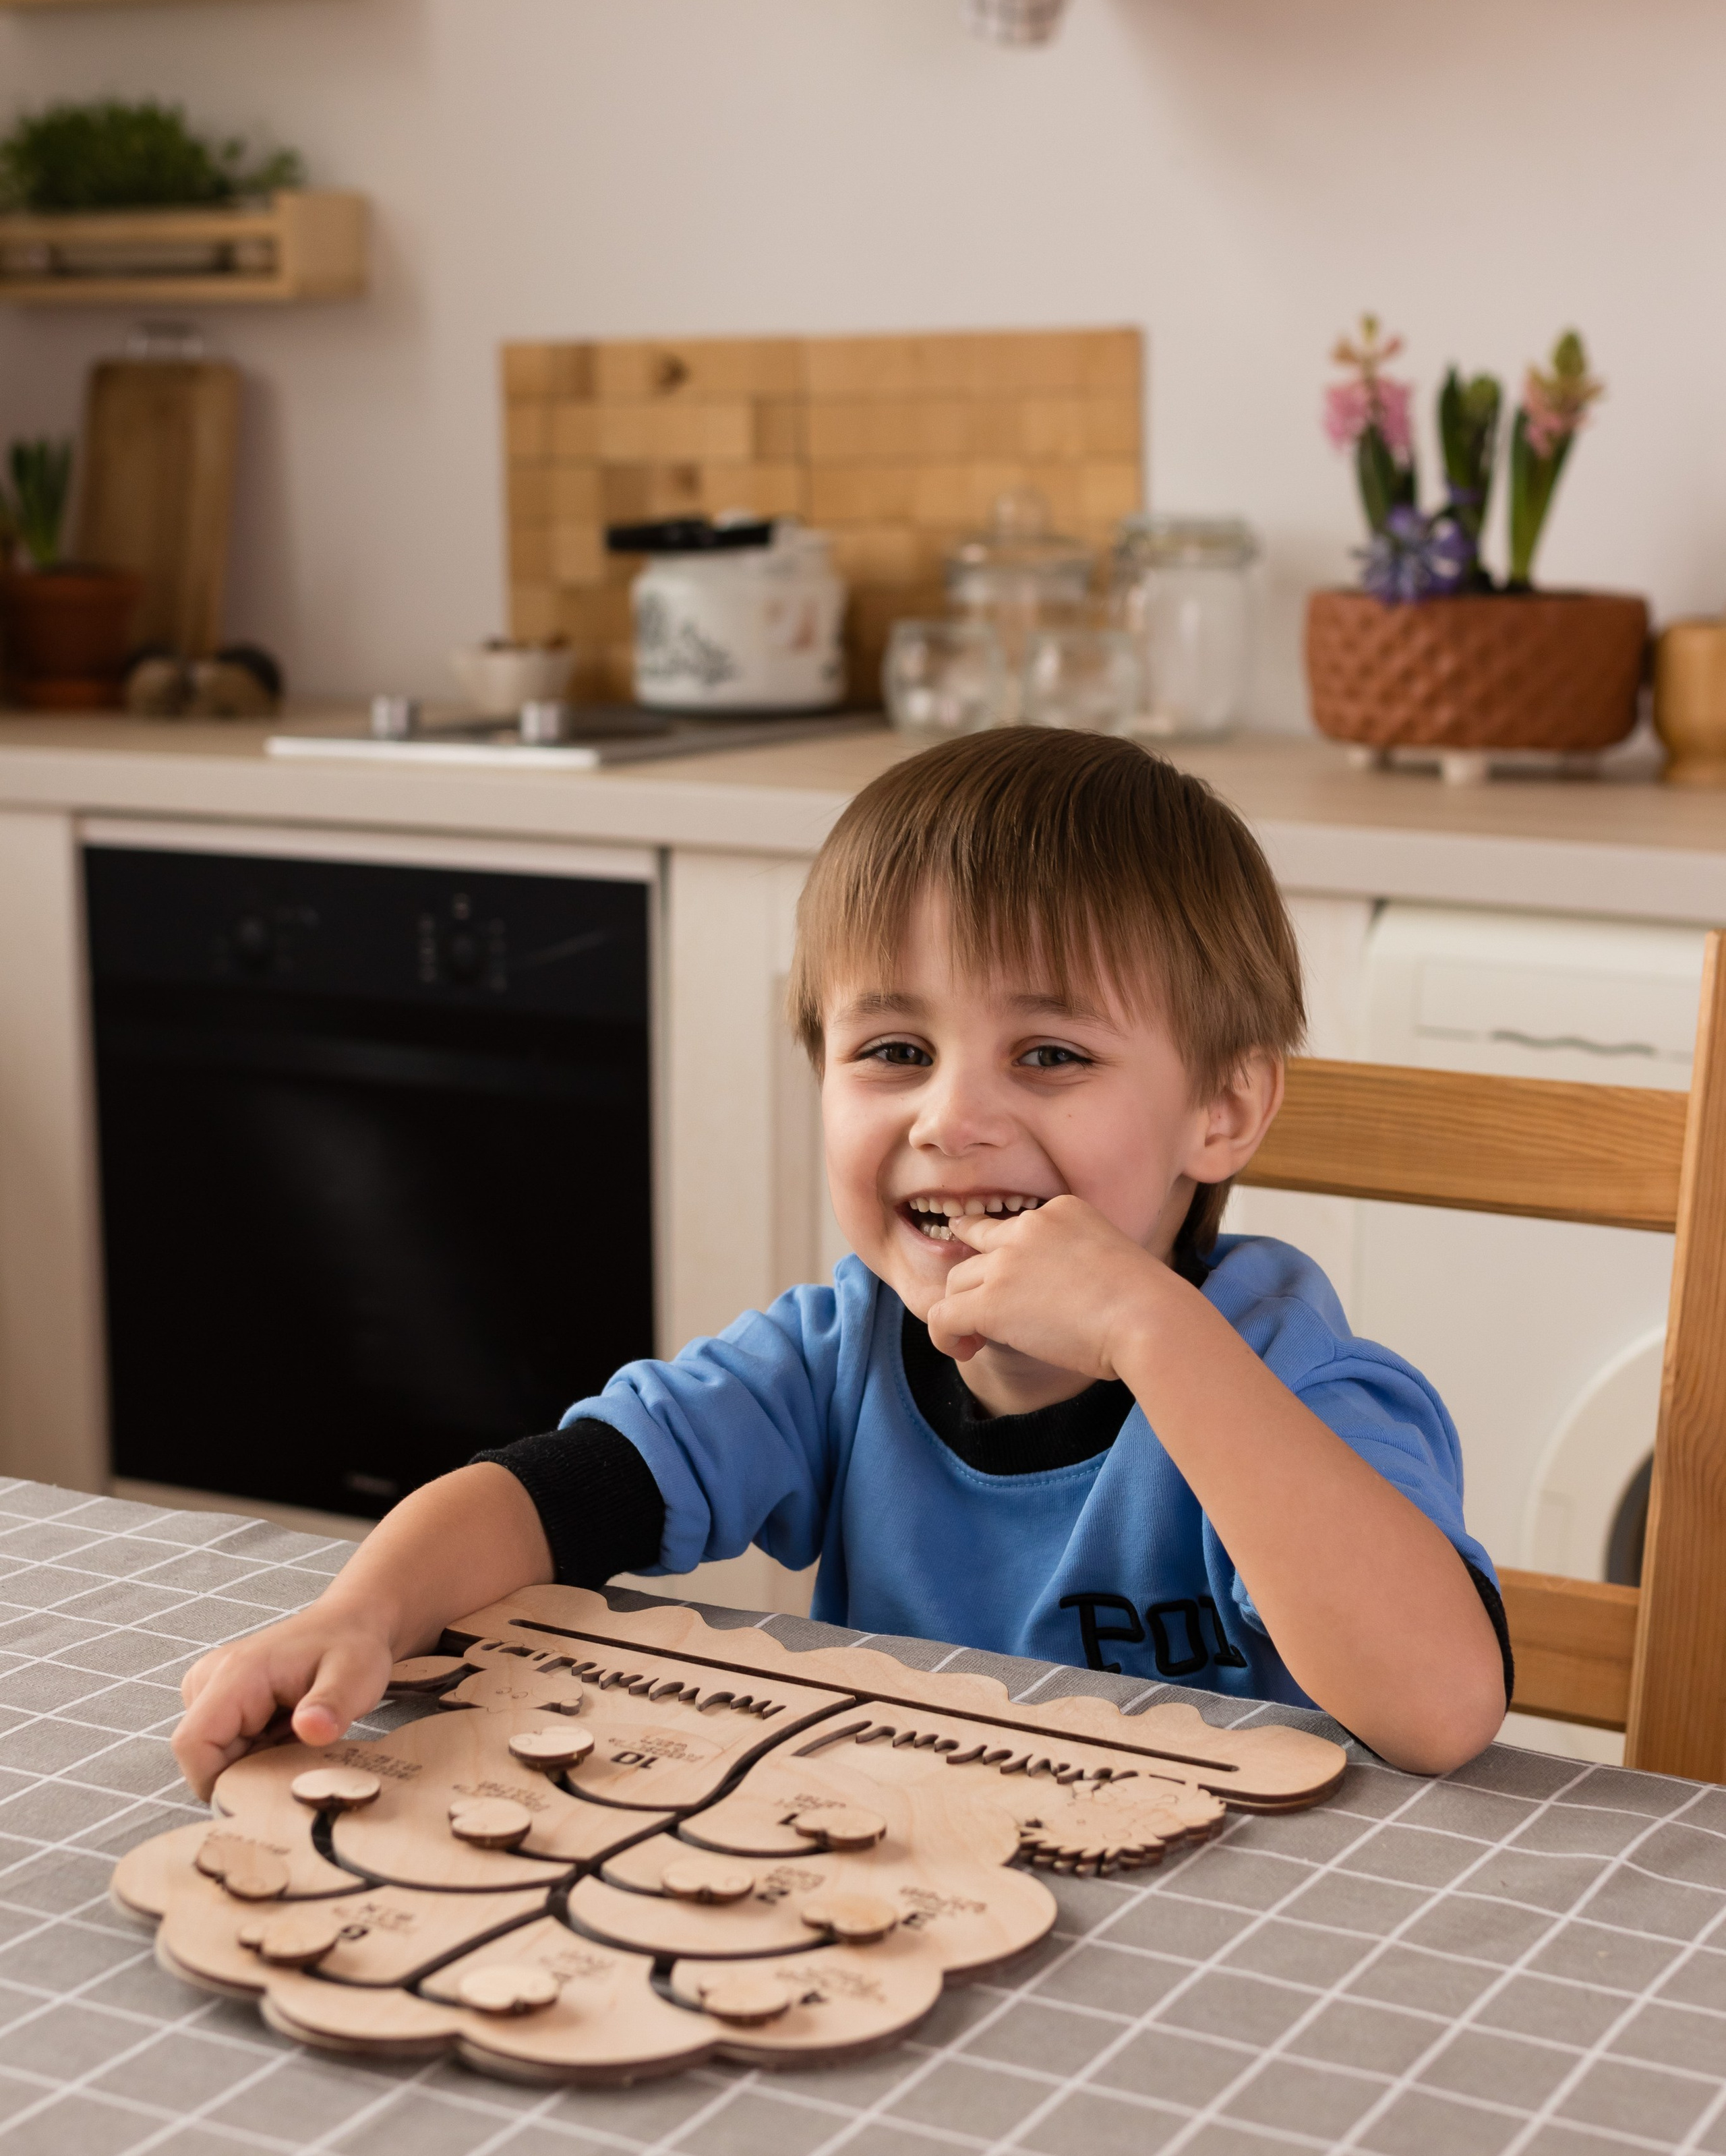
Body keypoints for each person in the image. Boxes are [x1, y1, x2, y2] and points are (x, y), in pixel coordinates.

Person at [173, 729, 1509, 1797]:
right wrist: (364, 1609)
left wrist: (1153, 1337)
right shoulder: (835, 1355)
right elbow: (558, 1494)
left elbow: (1440, 1711)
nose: (950, 1119)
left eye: (1047, 1055)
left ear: (1218, 1112)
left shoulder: (1281, 1373)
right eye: (891, 1052)